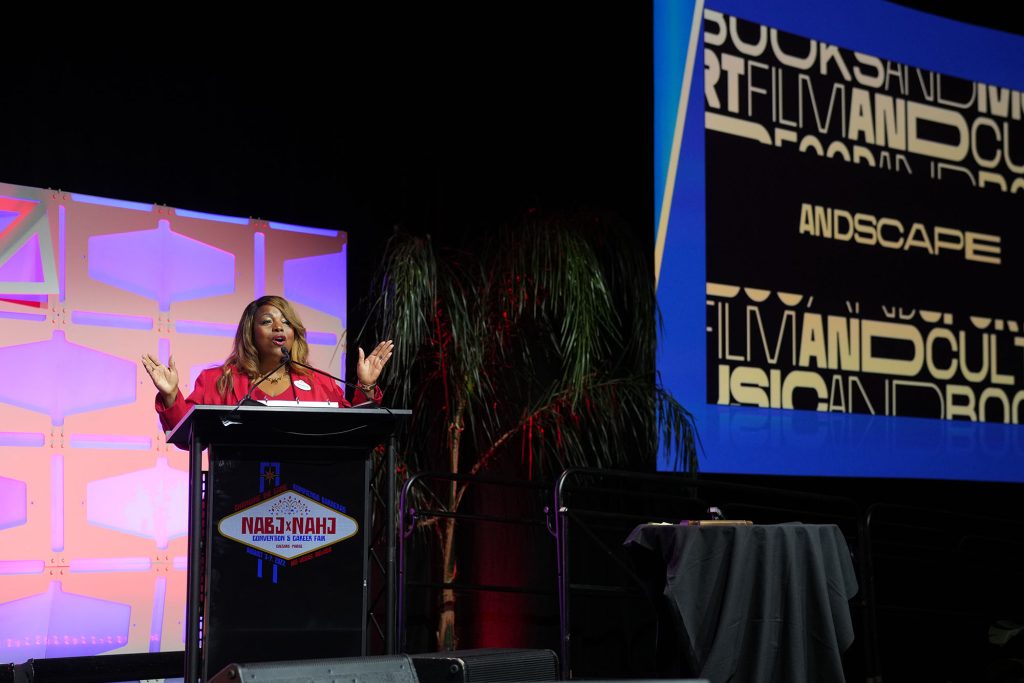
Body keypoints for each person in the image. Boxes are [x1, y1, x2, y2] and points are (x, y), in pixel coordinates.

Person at [142, 295, 394, 431]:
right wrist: (172, 396)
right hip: (235, 505)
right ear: (250, 333)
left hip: (308, 508)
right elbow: (186, 435)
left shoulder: (319, 382)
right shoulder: (218, 381)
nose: (278, 327)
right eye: (266, 322)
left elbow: (352, 431)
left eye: (285, 322)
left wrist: (366, 387)